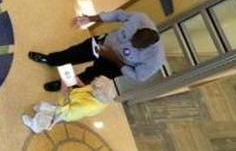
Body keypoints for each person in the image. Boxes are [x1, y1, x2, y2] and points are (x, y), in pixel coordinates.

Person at [29, 10, 166, 91]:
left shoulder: (155, 59)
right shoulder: (140, 18)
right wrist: (89, 18)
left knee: (89, 76)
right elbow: (117, 15)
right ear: (138, 30)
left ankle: (62, 84)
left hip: (117, 64)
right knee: (74, 53)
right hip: (103, 43)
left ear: (145, 48)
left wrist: (114, 58)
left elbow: (137, 76)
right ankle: (50, 60)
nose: (129, 43)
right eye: (132, 38)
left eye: (134, 45)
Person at [21, 75, 116, 133]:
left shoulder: (87, 106)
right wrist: (79, 82)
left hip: (66, 111)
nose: (94, 78)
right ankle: (42, 110)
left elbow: (65, 104)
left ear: (96, 91)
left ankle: (36, 126)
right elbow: (87, 89)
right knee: (49, 106)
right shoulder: (102, 96)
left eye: (94, 83)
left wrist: (64, 85)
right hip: (70, 103)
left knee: (49, 116)